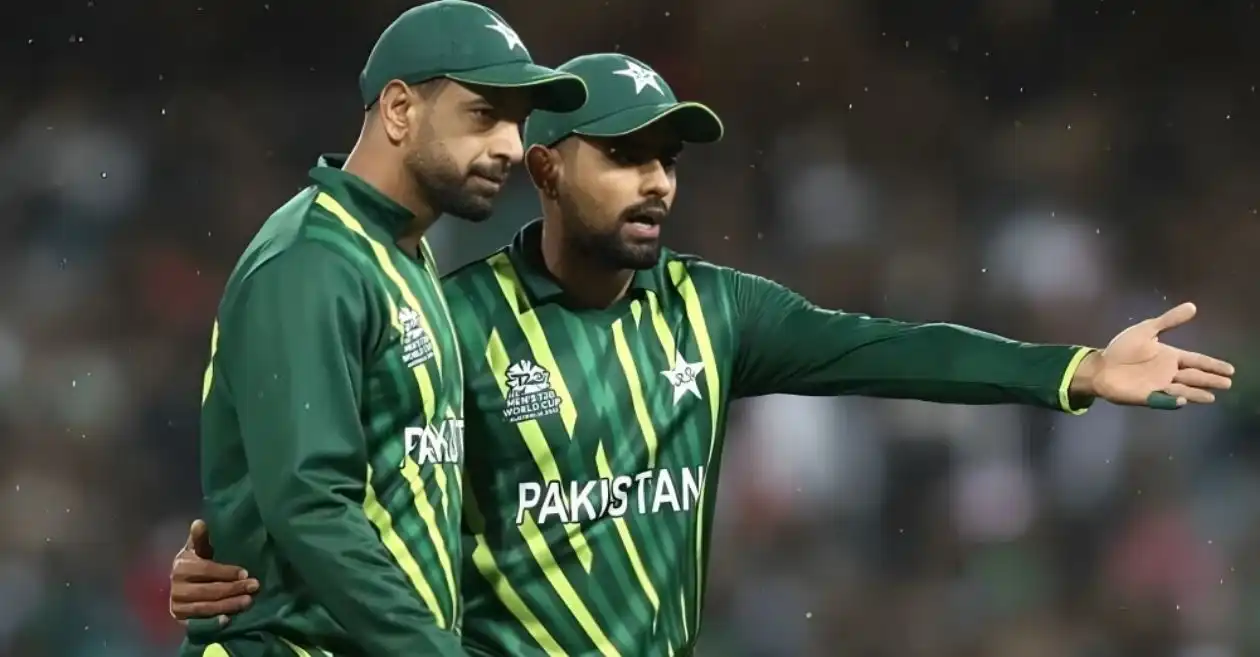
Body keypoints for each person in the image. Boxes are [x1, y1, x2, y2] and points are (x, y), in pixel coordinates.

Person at [171, 53, 1234, 657]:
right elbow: (343, 490)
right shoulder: (460, 322)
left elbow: (886, 350)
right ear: (545, 171)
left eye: (669, 161)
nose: (657, 183)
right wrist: (227, 572)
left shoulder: (714, 311)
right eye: (626, 156)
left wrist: (1076, 371)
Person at [180, 2, 586, 656]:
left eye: (519, 122)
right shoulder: (311, 261)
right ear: (399, 110)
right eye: (484, 114)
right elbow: (311, 507)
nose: (513, 146)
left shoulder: (401, 255)